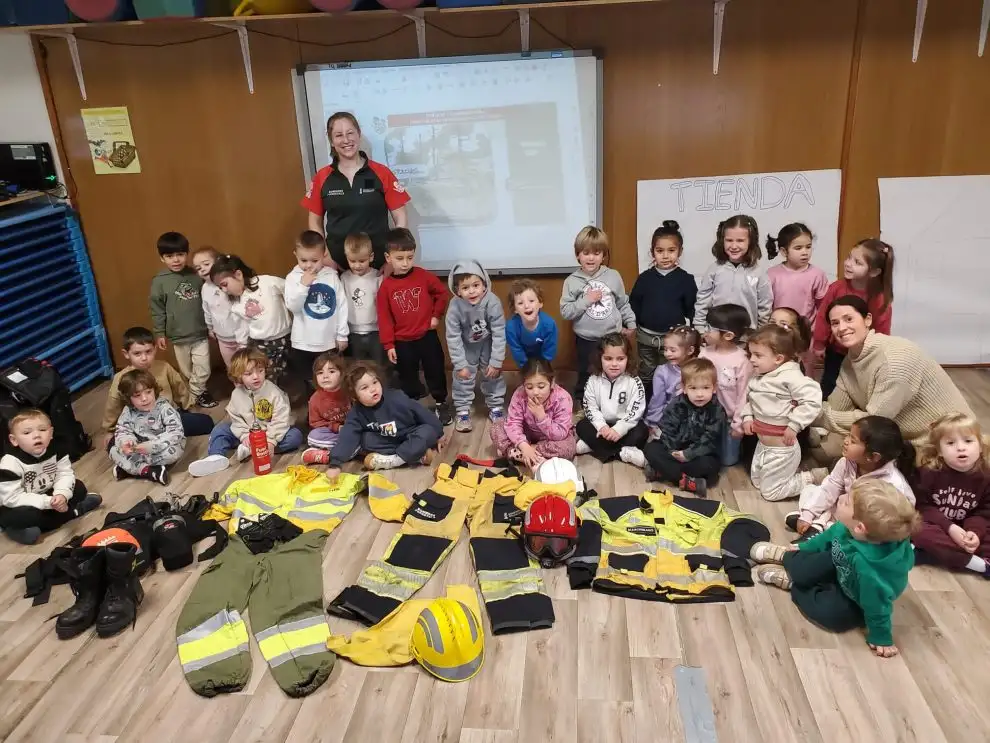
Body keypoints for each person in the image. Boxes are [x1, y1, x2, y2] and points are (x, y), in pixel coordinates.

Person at [751, 478, 920, 659]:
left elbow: (877, 607)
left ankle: (794, 583)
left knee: (835, 617)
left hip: (855, 595)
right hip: (841, 565)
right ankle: (786, 556)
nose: (841, 498)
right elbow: (827, 537)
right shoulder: (847, 527)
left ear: (860, 527)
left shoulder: (871, 573)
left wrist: (881, 637)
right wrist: (804, 548)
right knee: (815, 561)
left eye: (847, 502)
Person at [812, 296, 973, 464]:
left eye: (849, 319)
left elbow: (874, 422)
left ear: (867, 320)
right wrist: (806, 407)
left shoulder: (893, 359)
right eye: (835, 323)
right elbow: (836, 407)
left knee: (859, 460)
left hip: (946, 444)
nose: (842, 328)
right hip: (905, 440)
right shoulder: (850, 361)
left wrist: (813, 415)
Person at [301, 111, 410, 270]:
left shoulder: (382, 173)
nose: (346, 140)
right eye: (339, 135)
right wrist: (324, 257)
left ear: (359, 134)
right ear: (331, 141)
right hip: (336, 265)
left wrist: (393, 260)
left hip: (378, 265)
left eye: (350, 133)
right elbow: (314, 222)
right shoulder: (322, 177)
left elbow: (400, 217)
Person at [789, 416, 916, 539]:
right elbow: (830, 487)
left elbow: (883, 523)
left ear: (873, 457)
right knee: (811, 490)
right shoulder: (847, 462)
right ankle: (817, 523)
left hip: (866, 526)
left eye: (853, 441)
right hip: (846, 506)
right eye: (849, 435)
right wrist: (808, 513)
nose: (846, 441)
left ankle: (820, 528)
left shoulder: (891, 485)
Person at [740, 324, 825, 502]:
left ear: (778, 358)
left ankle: (811, 477)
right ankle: (784, 476)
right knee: (757, 483)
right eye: (751, 354)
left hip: (782, 449)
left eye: (758, 355)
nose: (752, 360)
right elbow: (749, 399)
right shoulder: (758, 377)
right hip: (763, 446)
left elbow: (812, 400)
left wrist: (794, 425)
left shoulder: (792, 378)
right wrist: (747, 416)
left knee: (770, 493)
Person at [377, 228, 452, 425]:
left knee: (435, 369)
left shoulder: (423, 276)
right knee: (407, 375)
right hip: (402, 341)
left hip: (427, 336)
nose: (405, 263)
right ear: (388, 258)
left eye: (409, 257)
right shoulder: (385, 288)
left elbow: (442, 294)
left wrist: (436, 316)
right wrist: (389, 345)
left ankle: (441, 403)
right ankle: (412, 408)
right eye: (399, 258)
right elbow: (384, 318)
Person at [189, 348, 303, 476]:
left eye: (260, 371)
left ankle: (254, 450)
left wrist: (271, 440)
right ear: (239, 376)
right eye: (248, 374)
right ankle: (216, 457)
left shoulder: (274, 392)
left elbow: (281, 420)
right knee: (220, 430)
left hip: (268, 434)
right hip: (247, 435)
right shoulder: (236, 394)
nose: (256, 377)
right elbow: (236, 420)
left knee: (295, 436)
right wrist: (244, 436)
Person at [0, 410, 101, 545]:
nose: (36, 435)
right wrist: (47, 502)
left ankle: (45, 523)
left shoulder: (57, 449)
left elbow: (64, 474)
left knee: (79, 488)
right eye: (27, 433)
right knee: (17, 516)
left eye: (42, 430)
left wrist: (61, 495)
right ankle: (73, 512)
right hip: (19, 503)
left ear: (51, 433)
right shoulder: (10, 463)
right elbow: (11, 498)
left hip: (48, 494)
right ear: (14, 440)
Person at [560, 226, 636, 401]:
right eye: (586, 253)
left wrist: (631, 322)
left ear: (603, 255)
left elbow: (622, 302)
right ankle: (584, 404)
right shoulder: (571, 281)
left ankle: (613, 403)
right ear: (578, 255)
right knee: (587, 374)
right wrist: (586, 300)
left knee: (614, 372)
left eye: (596, 253)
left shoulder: (613, 276)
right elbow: (566, 312)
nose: (591, 257)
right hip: (586, 339)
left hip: (612, 337)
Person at [812, 239, 894, 399]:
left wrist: (878, 354)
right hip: (836, 351)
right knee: (830, 385)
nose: (848, 264)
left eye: (857, 262)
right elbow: (823, 317)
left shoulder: (880, 299)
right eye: (849, 257)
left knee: (860, 387)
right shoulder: (836, 288)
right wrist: (819, 344)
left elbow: (882, 331)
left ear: (874, 272)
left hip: (864, 354)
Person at [326, 361, 442, 474]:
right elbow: (347, 436)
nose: (373, 389)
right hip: (388, 441)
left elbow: (422, 413)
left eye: (375, 382)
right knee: (365, 439)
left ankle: (394, 461)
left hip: (410, 433)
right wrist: (335, 464)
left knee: (427, 431)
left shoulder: (397, 398)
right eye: (364, 388)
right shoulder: (356, 412)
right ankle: (415, 456)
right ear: (354, 396)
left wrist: (440, 434)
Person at [101, 327, 214, 440]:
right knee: (116, 442)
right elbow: (113, 405)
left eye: (148, 352)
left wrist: (190, 408)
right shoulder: (120, 377)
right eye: (137, 353)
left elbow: (180, 390)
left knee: (207, 422)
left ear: (155, 349)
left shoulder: (164, 367)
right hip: (139, 424)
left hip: (168, 418)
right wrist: (110, 430)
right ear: (126, 354)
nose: (144, 358)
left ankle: (161, 436)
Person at [912, 412, 990, 575]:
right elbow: (922, 507)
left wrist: (974, 533)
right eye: (950, 443)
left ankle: (934, 553)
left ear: (980, 446)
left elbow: (984, 513)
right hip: (938, 525)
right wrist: (950, 527)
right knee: (919, 530)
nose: (961, 447)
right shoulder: (928, 473)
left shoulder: (986, 476)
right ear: (939, 451)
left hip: (967, 528)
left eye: (968, 441)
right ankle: (978, 565)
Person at [629, 220, 697, 396]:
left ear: (680, 251)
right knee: (646, 372)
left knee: (670, 373)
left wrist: (696, 333)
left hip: (673, 339)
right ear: (652, 252)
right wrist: (630, 324)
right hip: (646, 337)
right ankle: (644, 404)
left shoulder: (686, 279)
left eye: (671, 251)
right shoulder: (644, 278)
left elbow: (692, 309)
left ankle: (668, 405)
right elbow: (634, 304)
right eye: (660, 251)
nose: (665, 256)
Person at [641, 357, 726, 497]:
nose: (699, 394)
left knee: (710, 466)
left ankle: (663, 472)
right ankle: (687, 481)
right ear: (684, 388)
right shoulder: (676, 404)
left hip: (699, 453)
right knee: (651, 449)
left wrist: (688, 454)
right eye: (693, 388)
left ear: (714, 388)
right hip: (675, 450)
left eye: (705, 388)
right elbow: (667, 429)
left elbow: (710, 440)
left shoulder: (717, 410)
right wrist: (674, 451)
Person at [150, 231, 215, 408]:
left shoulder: (196, 275)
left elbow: (211, 299)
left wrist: (212, 326)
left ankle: (194, 394)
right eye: (169, 256)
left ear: (187, 254)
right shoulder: (159, 281)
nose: (176, 260)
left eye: (180, 254)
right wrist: (159, 333)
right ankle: (199, 392)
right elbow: (157, 309)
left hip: (199, 332)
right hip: (178, 335)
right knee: (186, 371)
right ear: (162, 258)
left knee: (203, 369)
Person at [211, 254, 292, 387]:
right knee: (264, 376)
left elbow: (290, 290)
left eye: (225, 284)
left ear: (238, 275)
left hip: (284, 339)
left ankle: (279, 396)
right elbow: (241, 326)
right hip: (259, 343)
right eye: (220, 287)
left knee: (284, 374)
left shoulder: (266, 282)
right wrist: (242, 347)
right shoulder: (234, 303)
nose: (224, 290)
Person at [284, 230, 349, 393]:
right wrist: (303, 286)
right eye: (303, 260)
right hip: (303, 342)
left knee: (332, 379)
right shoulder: (293, 278)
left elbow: (342, 306)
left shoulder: (331, 276)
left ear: (324, 254)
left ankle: (333, 405)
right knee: (310, 382)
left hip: (328, 341)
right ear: (295, 254)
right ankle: (314, 406)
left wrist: (342, 334)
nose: (309, 265)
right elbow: (293, 307)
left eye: (314, 260)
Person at [446, 259, 506, 432]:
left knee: (493, 374)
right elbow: (453, 336)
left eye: (476, 285)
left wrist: (496, 361)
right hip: (466, 346)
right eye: (465, 288)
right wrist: (460, 364)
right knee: (463, 376)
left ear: (484, 284)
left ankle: (496, 406)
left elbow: (499, 332)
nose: (472, 291)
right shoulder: (455, 306)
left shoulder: (492, 301)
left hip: (487, 343)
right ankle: (462, 411)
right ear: (457, 290)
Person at [490, 358, 576, 469]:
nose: (535, 392)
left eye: (541, 387)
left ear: (552, 382)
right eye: (529, 387)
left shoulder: (562, 398)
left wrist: (542, 417)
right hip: (526, 434)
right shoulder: (520, 394)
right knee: (496, 427)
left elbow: (561, 433)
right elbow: (513, 423)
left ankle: (515, 454)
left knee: (568, 447)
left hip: (550, 440)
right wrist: (524, 446)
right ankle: (535, 458)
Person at [575, 332, 647, 463]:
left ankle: (595, 447)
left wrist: (618, 430)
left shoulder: (634, 381)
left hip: (624, 426)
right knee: (581, 426)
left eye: (620, 359)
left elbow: (636, 411)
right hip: (602, 426)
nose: (614, 364)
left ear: (628, 359)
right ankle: (621, 453)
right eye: (608, 359)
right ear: (600, 358)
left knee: (642, 431)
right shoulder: (593, 379)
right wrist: (602, 427)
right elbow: (590, 407)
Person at [694, 214, 772, 332]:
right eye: (729, 240)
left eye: (740, 241)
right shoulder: (714, 269)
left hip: (747, 336)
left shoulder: (759, 273)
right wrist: (700, 327)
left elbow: (764, 306)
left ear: (750, 242)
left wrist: (761, 333)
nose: (734, 246)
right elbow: (703, 299)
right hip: (717, 334)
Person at [109, 369, 186, 486]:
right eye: (137, 395)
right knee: (114, 451)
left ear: (155, 390)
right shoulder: (128, 411)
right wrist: (127, 442)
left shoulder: (164, 408)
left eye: (148, 392)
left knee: (174, 452)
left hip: (160, 448)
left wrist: (152, 446)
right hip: (138, 450)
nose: (144, 398)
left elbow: (175, 432)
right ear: (128, 398)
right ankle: (149, 471)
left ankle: (131, 468)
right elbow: (122, 430)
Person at [700, 304, 752, 467]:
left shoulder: (742, 360)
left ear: (728, 335)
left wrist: (738, 423)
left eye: (710, 328)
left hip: (729, 419)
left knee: (728, 460)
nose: (705, 331)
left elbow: (744, 394)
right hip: (705, 415)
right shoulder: (704, 353)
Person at [192, 247, 247, 369]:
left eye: (206, 264)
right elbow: (207, 310)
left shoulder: (230, 284)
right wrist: (210, 328)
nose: (203, 269)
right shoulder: (205, 288)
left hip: (242, 337)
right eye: (198, 268)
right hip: (223, 338)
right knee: (231, 367)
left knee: (246, 365)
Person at [766, 223, 829, 330]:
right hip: (778, 332)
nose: (805, 252)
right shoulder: (772, 274)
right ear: (784, 251)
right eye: (798, 248)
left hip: (807, 333)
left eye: (808, 247)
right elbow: (766, 307)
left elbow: (823, 307)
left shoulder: (817, 275)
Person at [340, 232, 386, 367]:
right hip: (353, 333)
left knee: (378, 367)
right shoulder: (344, 278)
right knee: (357, 367)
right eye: (352, 261)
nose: (357, 265)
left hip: (376, 332)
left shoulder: (377, 277)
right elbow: (341, 305)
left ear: (371, 257)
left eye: (361, 261)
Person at [645, 325, 700, 431]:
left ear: (690, 350)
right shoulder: (662, 372)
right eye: (665, 349)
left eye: (673, 350)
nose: (667, 354)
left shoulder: (700, 369)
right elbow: (657, 400)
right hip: (670, 419)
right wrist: (652, 423)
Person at [301, 352, 350, 466]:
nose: (325, 376)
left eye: (331, 371)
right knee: (313, 436)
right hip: (332, 434)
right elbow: (315, 423)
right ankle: (338, 452)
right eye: (320, 373)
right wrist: (336, 427)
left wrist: (350, 428)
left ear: (342, 374)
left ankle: (329, 453)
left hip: (352, 430)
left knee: (366, 437)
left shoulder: (350, 392)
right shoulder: (315, 399)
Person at [505, 279, 557, 368]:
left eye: (531, 301)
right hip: (524, 364)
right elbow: (517, 351)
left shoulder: (549, 324)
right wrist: (527, 369)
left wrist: (542, 368)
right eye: (520, 303)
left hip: (544, 362)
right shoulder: (511, 327)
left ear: (540, 303)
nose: (526, 306)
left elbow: (549, 351)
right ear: (515, 309)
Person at [769, 306, 814, 374]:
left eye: (784, 324)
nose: (776, 326)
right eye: (772, 322)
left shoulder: (793, 354)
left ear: (795, 330)